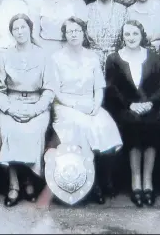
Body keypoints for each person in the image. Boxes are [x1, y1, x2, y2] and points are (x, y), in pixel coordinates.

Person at [52, 17, 123, 204]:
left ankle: (105, 176)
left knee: (104, 124)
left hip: (90, 103)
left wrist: (96, 106)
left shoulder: (92, 57)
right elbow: (56, 91)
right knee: (82, 126)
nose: (73, 34)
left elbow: (99, 87)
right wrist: (76, 106)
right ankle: (92, 184)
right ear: (65, 35)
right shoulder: (56, 58)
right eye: (69, 31)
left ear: (83, 33)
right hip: (66, 105)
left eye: (77, 30)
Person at [105, 20, 160, 207]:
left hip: (151, 106)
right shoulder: (114, 59)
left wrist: (150, 103)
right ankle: (136, 180)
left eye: (135, 34)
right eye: (127, 34)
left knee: (153, 125)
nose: (131, 38)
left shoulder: (153, 57)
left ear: (141, 35)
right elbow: (112, 89)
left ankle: (147, 180)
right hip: (125, 108)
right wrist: (130, 105)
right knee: (133, 125)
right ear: (122, 37)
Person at [0, 14, 56, 207]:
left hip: (36, 103)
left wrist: (35, 110)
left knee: (33, 131)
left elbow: (49, 89)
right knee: (7, 131)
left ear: (30, 29)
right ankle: (13, 184)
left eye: (23, 27)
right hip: (12, 102)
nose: (20, 32)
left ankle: (29, 180)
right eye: (16, 29)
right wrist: (9, 109)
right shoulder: (4, 55)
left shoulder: (43, 55)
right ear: (11, 33)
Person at [86, 0, 127, 70]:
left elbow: (126, 40)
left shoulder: (122, 10)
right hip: (92, 63)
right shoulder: (87, 10)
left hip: (117, 63)